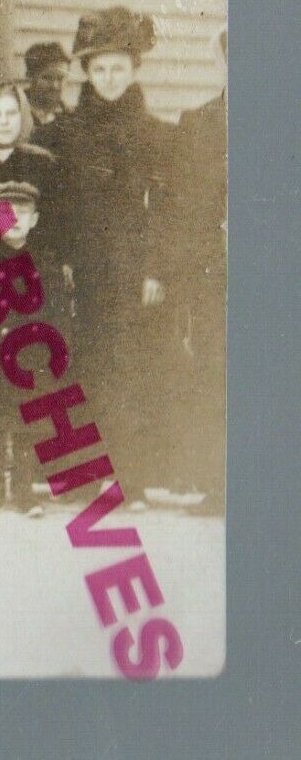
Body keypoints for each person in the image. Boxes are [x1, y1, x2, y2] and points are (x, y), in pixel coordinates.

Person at [33, 7, 175, 506]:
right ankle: (82, 476)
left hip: (134, 273)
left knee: (131, 367)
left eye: (118, 68)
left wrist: (155, 269)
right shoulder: (64, 134)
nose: (109, 78)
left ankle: (130, 477)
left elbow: (166, 210)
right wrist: (59, 262)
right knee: (81, 366)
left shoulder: (157, 135)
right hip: (81, 270)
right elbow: (51, 207)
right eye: (99, 69)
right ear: (86, 74)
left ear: (134, 70)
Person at [0, 181, 64, 516]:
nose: (15, 219)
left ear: (34, 219)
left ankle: (24, 493)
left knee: (28, 425)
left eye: (23, 212)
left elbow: (56, 313)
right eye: (7, 213)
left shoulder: (45, 262)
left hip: (30, 359)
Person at [174, 28, 226, 515]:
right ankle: (218, 483)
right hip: (213, 266)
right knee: (214, 366)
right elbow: (185, 206)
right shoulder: (199, 122)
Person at [22, 41, 72, 127]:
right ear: (30, 76)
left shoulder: (70, 117)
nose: (55, 86)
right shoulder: (14, 112)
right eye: (47, 78)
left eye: (61, 78)